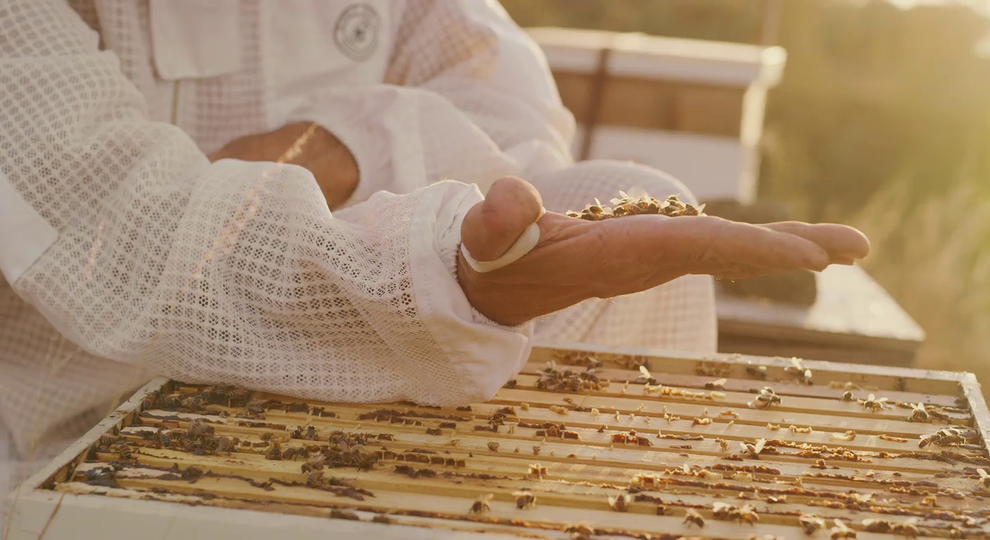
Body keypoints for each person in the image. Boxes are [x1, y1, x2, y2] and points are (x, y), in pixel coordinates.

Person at [0, 0, 869, 498]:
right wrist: (446, 278)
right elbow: (120, 230)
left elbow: (504, 93)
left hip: (348, 375)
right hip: (59, 439)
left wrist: (345, 142)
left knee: (628, 211)